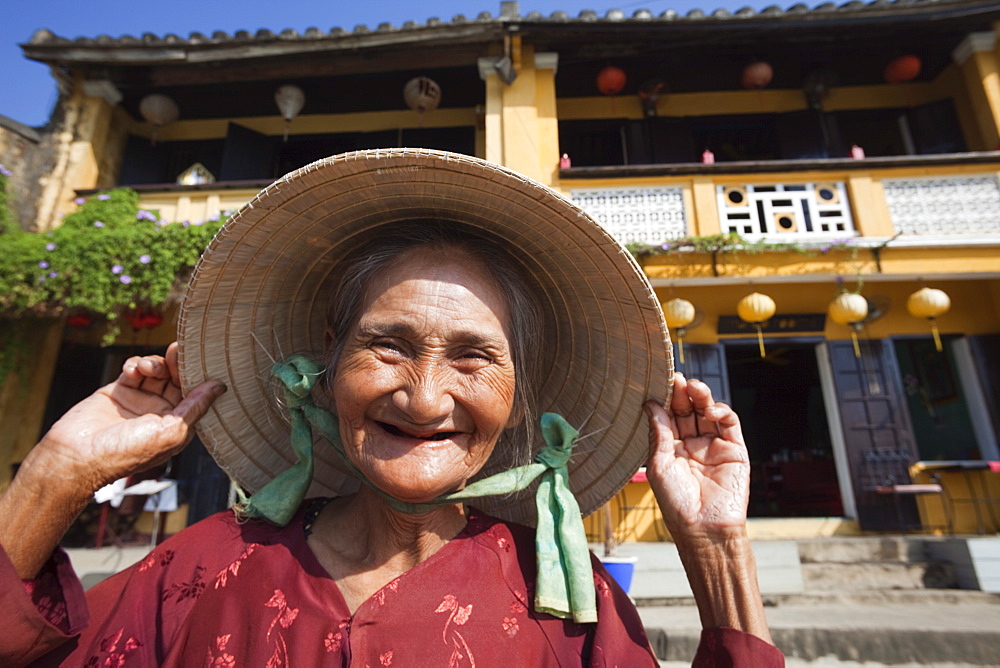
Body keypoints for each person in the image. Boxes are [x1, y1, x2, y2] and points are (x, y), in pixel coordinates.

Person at [0, 149, 783, 666]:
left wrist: (718, 549)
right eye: (388, 345)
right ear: (328, 363)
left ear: (518, 405)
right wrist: (51, 479)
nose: (424, 396)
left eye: (475, 356)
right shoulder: (198, 570)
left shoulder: (569, 611)